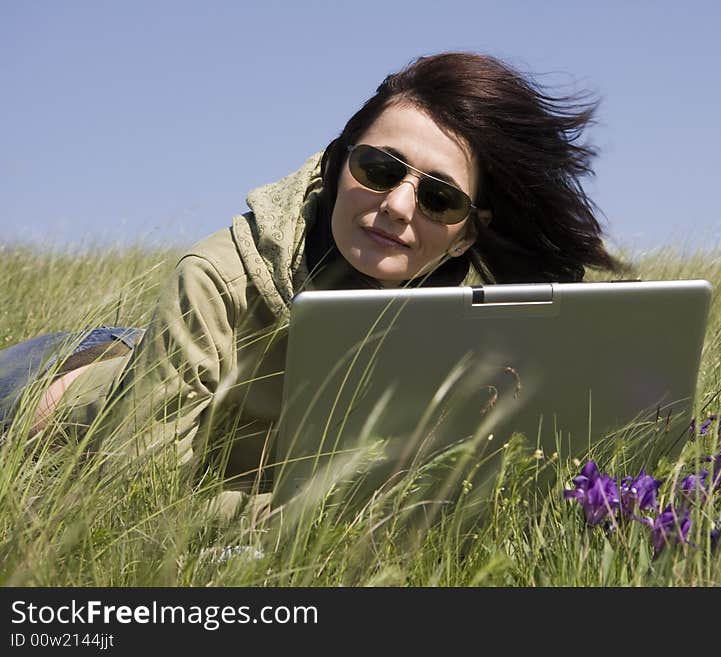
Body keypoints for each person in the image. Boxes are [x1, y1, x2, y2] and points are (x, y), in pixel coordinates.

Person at [0, 52, 623, 516]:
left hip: (166, 356)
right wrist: (305, 521)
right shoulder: (217, 278)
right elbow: (138, 493)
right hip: (54, 390)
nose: (401, 207)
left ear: (465, 232)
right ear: (336, 165)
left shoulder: (459, 324)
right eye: (380, 168)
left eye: (439, 197)